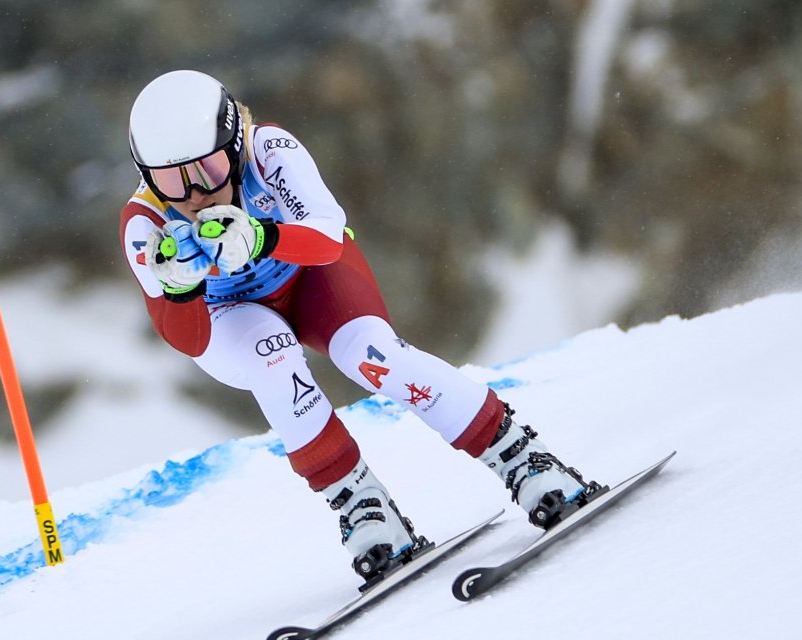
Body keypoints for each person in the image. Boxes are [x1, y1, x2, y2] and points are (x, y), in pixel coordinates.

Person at [119, 69, 601, 587]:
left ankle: (522, 459)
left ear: (235, 145)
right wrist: (181, 288)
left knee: (375, 356)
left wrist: (261, 236)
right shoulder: (145, 227)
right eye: (171, 180)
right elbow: (189, 340)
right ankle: (362, 507)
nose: (194, 194)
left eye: (210, 170)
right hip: (232, 315)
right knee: (270, 357)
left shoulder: (270, 151)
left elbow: (326, 237)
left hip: (311, 275)